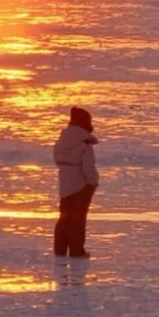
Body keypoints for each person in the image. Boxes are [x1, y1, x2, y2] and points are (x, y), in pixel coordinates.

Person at [53, 107, 100, 258]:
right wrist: (93, 182)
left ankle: (60, 249)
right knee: (78, 219)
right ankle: (76, 250)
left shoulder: (62, 140)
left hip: (65, 183)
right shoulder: (84, 142)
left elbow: (57, 160)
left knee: (64, 217)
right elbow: (89, 167)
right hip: (81, 185)